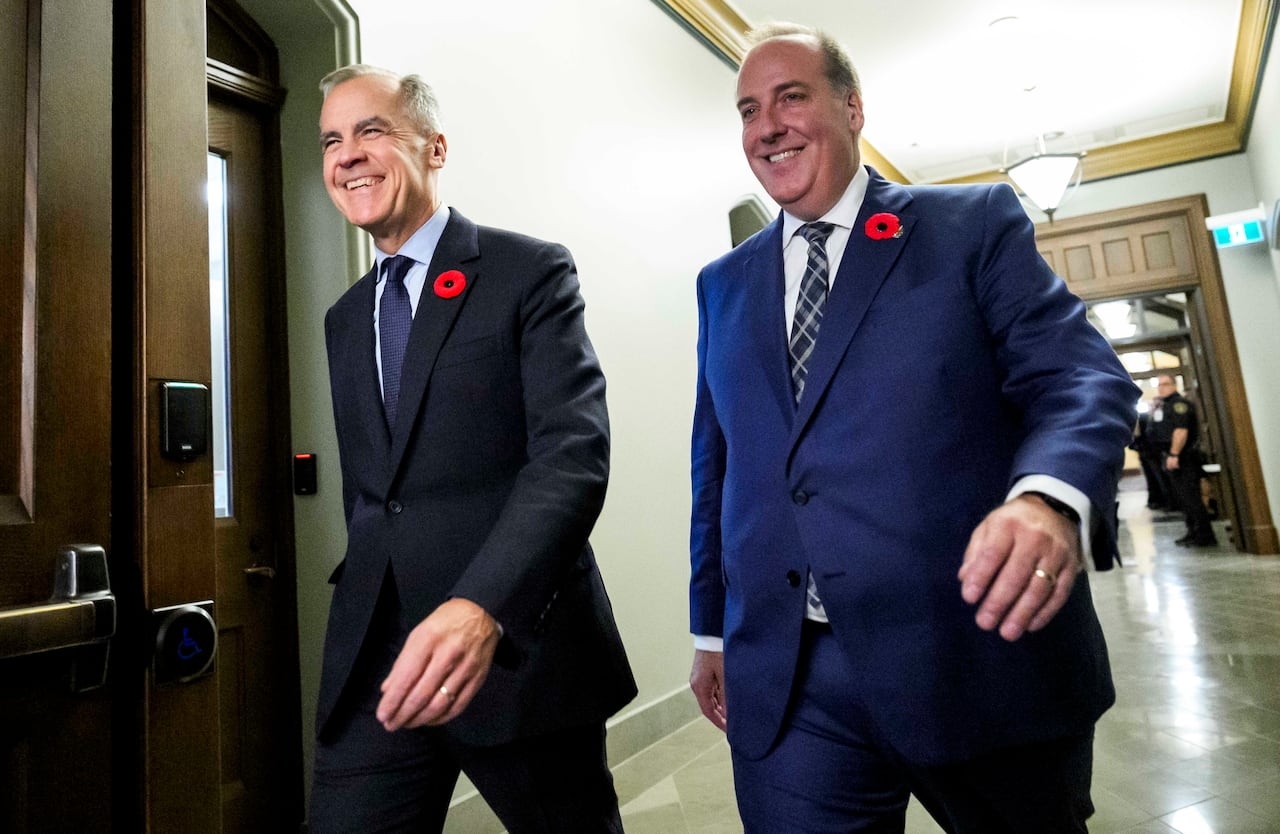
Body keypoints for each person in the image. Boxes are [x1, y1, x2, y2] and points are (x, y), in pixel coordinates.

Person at [687, 23, 1139, 833]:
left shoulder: (968, 226)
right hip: (794, 679)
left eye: (792, 97)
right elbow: (717, 466)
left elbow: (1077, 374)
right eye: (749, 109)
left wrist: (1045, 499)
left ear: (853, 107)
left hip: (974, 656)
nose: (767, 126)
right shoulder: (723, 283)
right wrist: (710, 627)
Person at [311, 64, 636, 833]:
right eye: (330, 139)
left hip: (514, 645)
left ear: (434, 147)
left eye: (371, 131)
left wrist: (482, 604)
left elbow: (572, 454)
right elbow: (378, 493)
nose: (347, 154)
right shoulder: (344, 318)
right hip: (380, 658)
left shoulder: (527, 271)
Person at [1153, 374, 1217, 546]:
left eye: (1165, 384)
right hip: (1172, 457)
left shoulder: (1179, 405)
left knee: (1192, 498)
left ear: (1174, 385)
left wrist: (1174, 455)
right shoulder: (1165, 405)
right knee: (1183, 498)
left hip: (1183, 457)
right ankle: (1193, 531)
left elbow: (1181, 431)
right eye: (1159, 385)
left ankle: (1204, 534)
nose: (1161, 388)